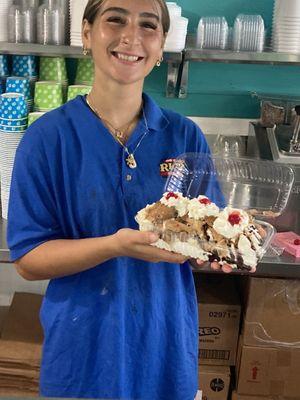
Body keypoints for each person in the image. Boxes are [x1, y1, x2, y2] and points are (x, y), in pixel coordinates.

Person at [7, 0, 231, 399]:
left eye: (149, 26)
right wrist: (115, 246)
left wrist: (223, 246)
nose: (132, 36)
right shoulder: (47, 140)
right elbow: (28, 260)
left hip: (164, 347)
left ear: (162, 47)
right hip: (83, 351)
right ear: (88, 34)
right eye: (115, 20)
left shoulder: (184, 137)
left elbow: (208, 237)